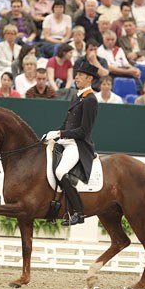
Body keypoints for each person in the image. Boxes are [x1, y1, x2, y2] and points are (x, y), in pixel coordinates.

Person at [43, 61, 99, 226]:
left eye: (81, 75)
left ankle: (79, 213)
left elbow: (84, 131)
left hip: (77, 145)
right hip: (66, 140)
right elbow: (67, 123)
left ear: (89, 78)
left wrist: (60, 133)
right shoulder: (77, 96)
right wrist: (54, 134)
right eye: (77, 74)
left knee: (60, 171)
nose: (77, 77)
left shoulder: (90, 100)